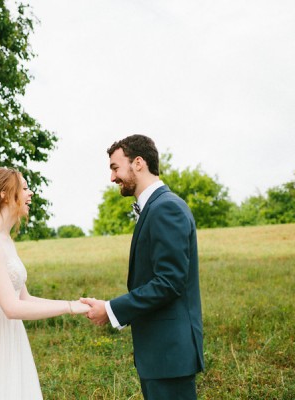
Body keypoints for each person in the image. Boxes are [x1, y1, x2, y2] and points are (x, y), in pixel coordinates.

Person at [81, 134, 204, 400]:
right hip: (161, 354)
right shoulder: (156, 207)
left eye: (115, 167)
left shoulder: (165, 208)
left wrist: (111, 309)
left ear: (138, 163)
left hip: (170, 354)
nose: (112, 178)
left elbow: (169, 282)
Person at [0, 167, 90, 400]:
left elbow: (24, 299)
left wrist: (72, 303)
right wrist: (68, 307)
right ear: (4, 195)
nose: (30, 194)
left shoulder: (5, 238)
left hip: (10, 335)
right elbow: (12, 308)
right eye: (25, 188)